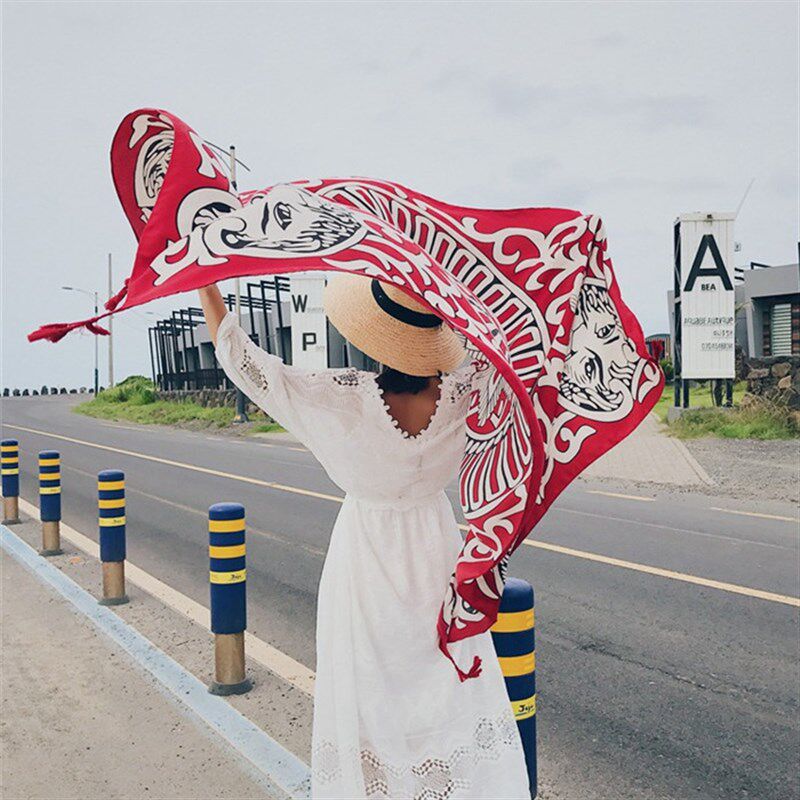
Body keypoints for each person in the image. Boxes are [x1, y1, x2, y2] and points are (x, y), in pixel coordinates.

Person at [199, 273, 530, 800]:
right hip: (439, 556)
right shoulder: (470, 394)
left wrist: (205, 281)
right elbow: (527, 371)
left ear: (376, 336)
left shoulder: (341, 400)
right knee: (446, 692)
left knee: (369, 694)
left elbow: (245, 363)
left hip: (364, 564)